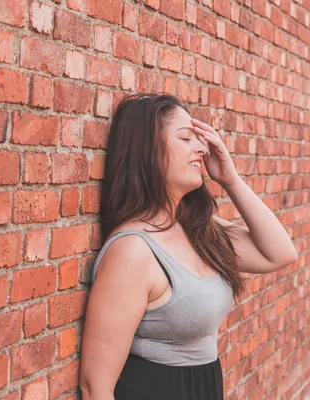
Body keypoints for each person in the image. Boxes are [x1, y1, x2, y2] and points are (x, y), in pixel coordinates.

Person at [79, 94, 298, 399]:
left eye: (199, 139)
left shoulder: (196, 228)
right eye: (186, 138)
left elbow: (280, 253)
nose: (202, 148)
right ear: (148, 150)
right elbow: (95, 387)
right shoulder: (133, 252)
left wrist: (230, 179)